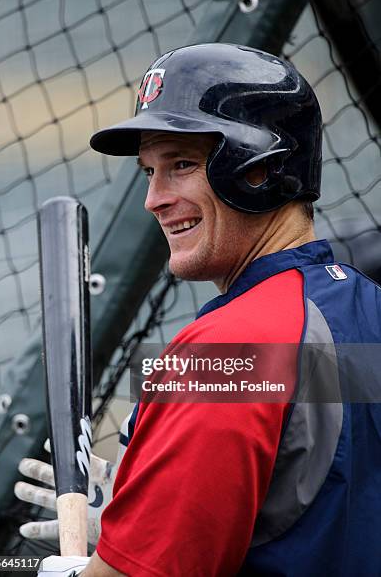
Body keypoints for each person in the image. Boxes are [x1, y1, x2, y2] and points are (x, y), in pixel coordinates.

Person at [30, 43, 381, 576]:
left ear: (257, 170)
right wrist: (140, 522)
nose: (154, 198)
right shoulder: (367, 304)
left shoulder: (224, 353)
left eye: (182, 164)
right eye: (150, 171)